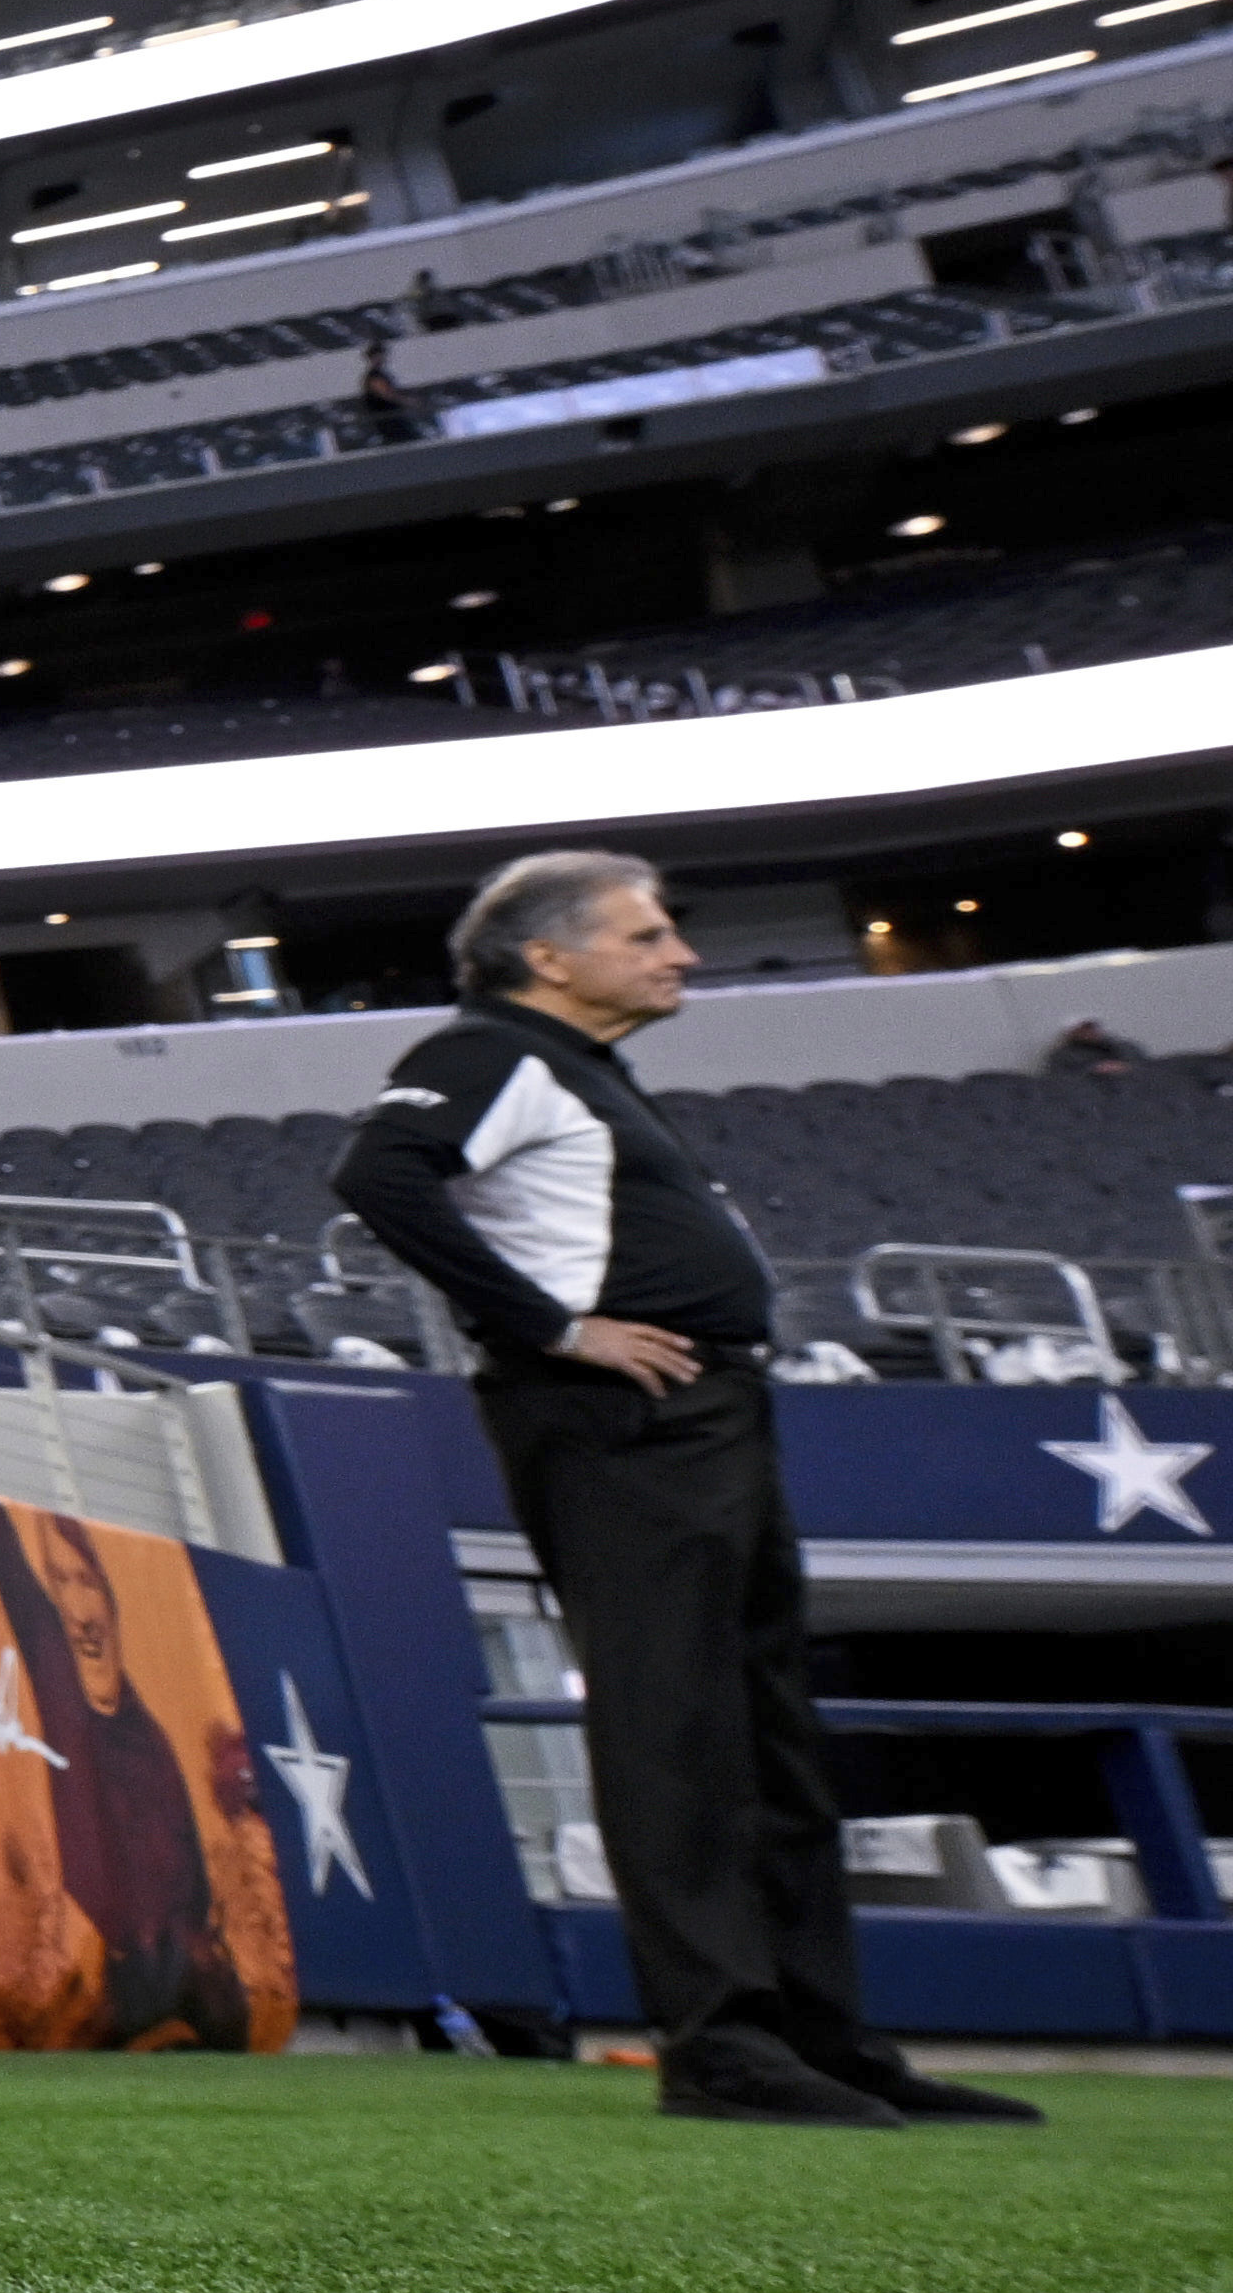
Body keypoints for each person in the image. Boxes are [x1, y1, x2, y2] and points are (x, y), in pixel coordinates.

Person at [331, 850, 1035, 2126]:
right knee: (675, 1728)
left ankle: (822, 2038)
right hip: (618, 1417)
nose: (684, 954)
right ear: (549, 958)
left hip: (706, 1411)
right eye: (648, 934)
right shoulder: (494, 1049)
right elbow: (378, 1173)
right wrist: (553, 1325)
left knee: (768, 1735)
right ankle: (718, 2044)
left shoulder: (586, 1070)